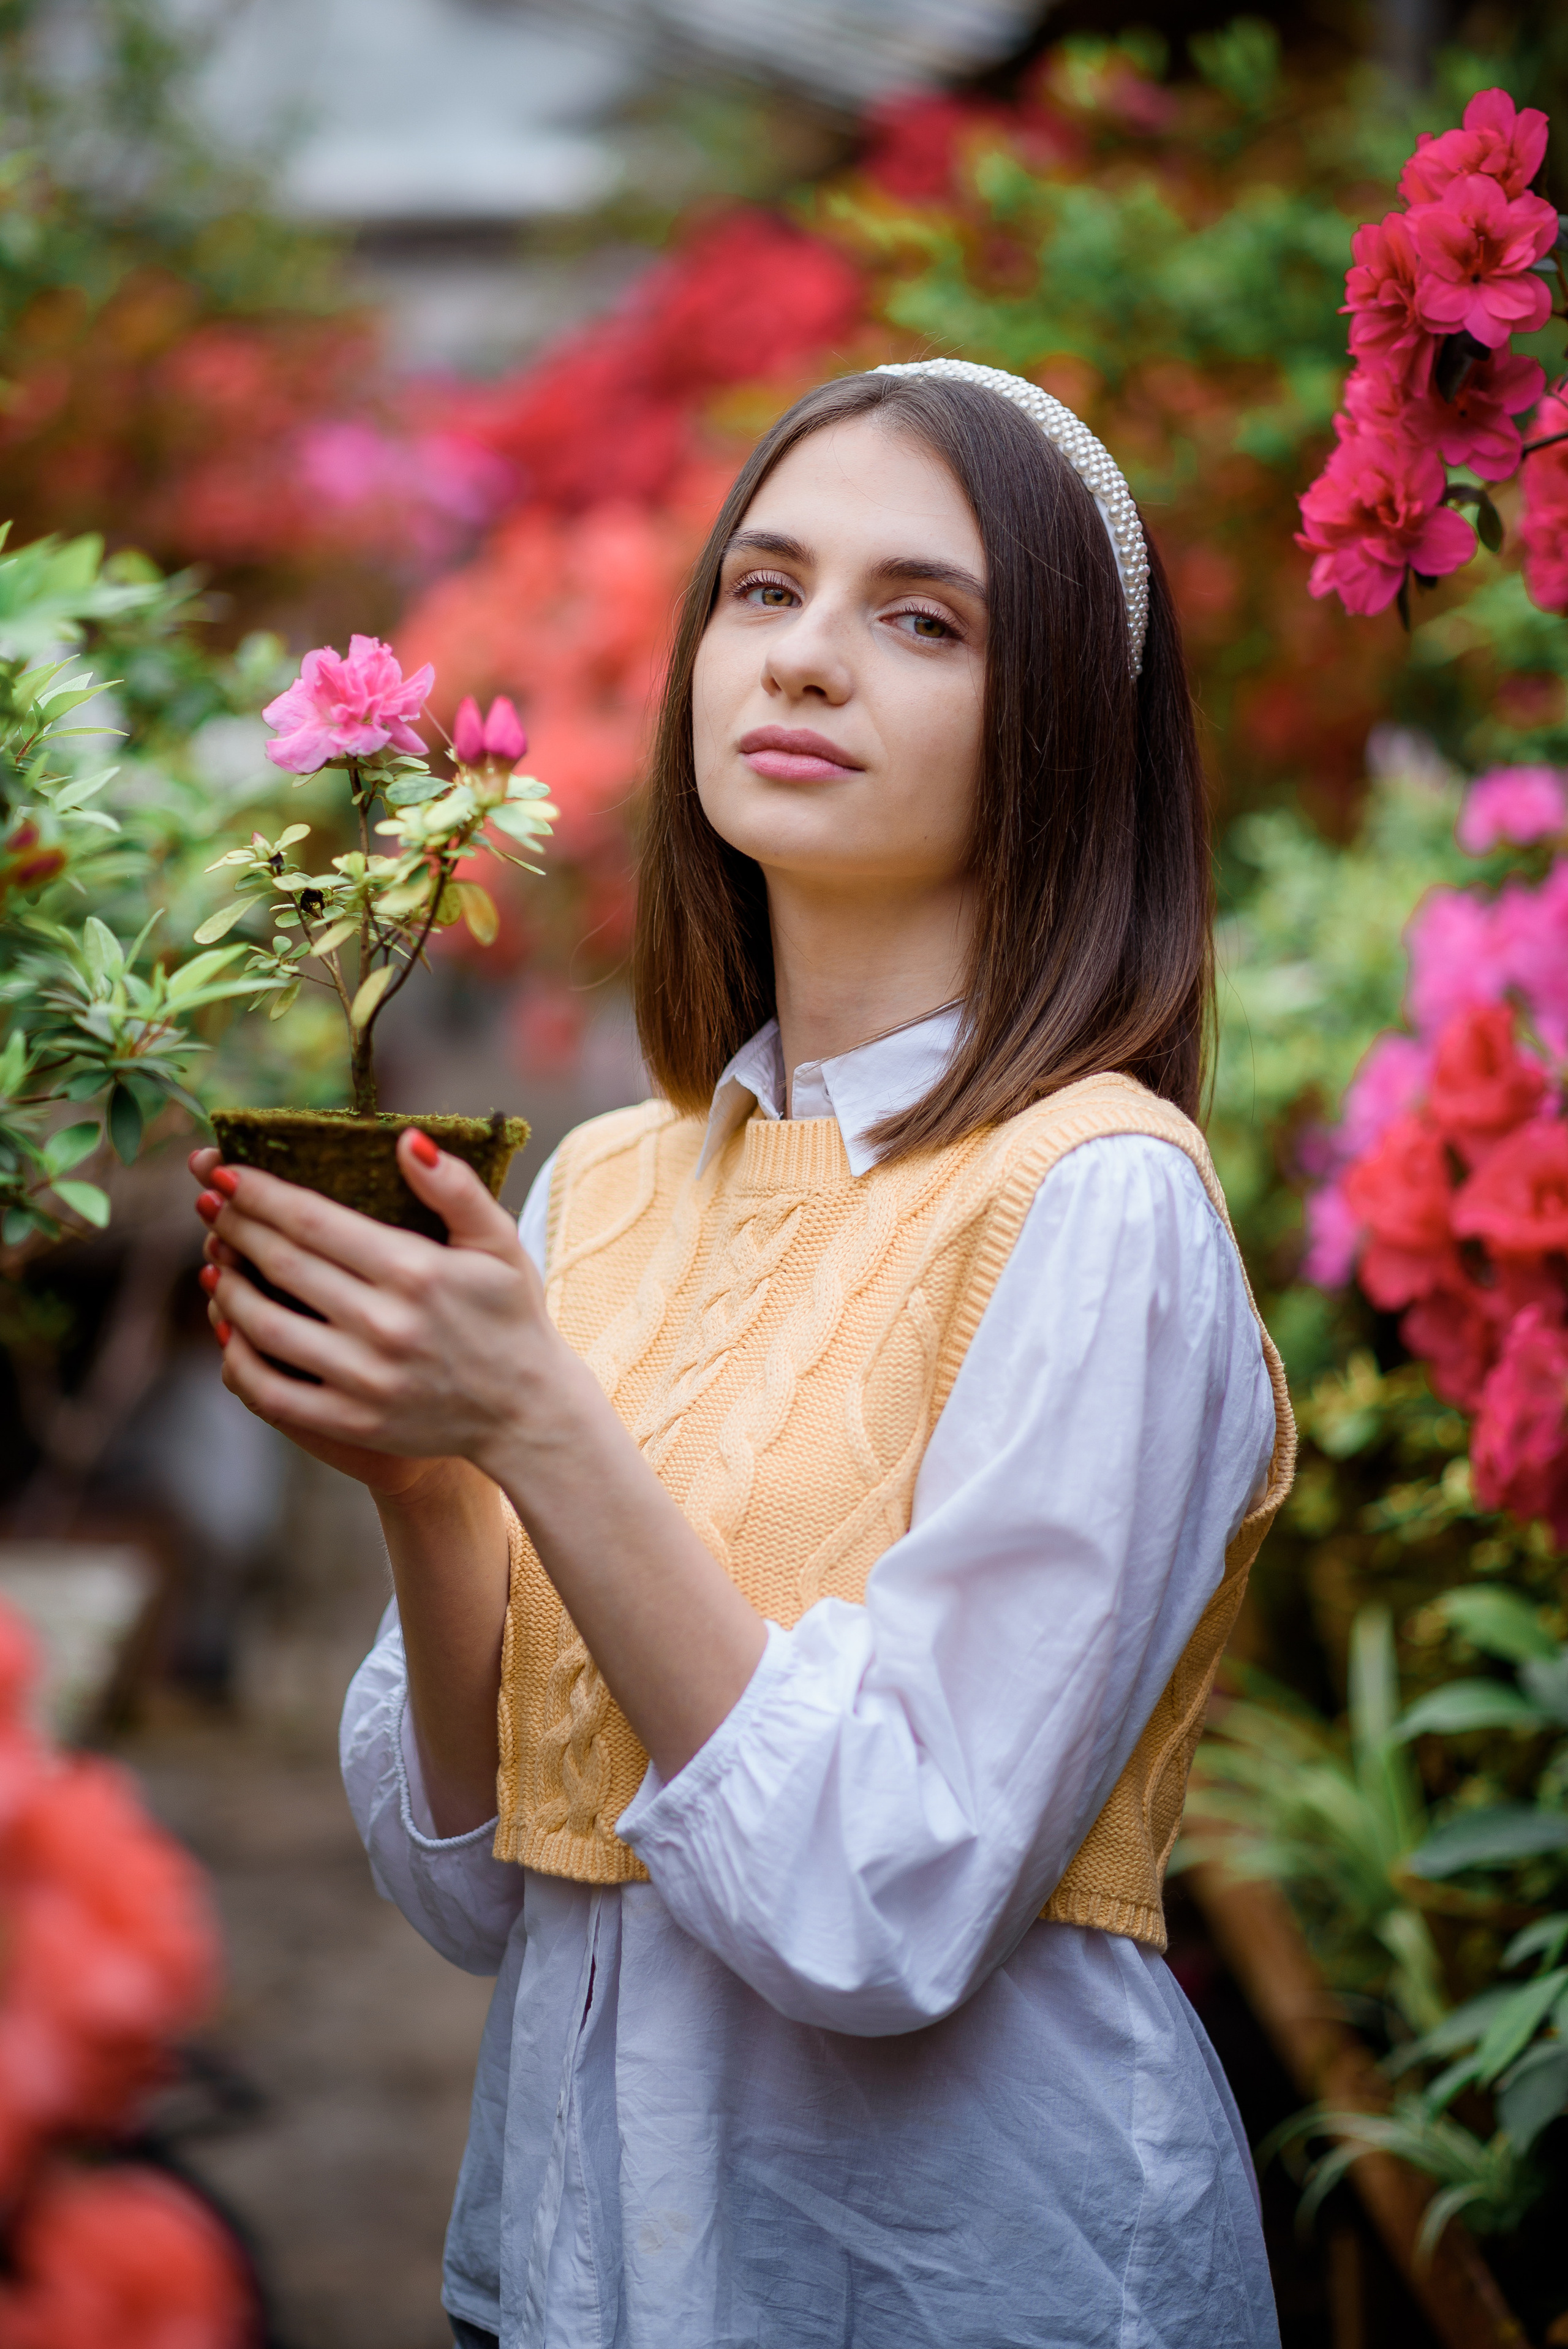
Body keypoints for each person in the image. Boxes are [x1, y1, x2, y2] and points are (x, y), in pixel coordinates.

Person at [190, 358, 1294, 2349]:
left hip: (964, 2282)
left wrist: (540, 1422)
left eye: (922, 616)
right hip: (576, 2267)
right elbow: (479, 1897)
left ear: (1060, 733)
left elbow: (883, 1900)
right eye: (763, 589)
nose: (803, 658)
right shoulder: (607, 1188)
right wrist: (432, 1487)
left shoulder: (1097, 1202)